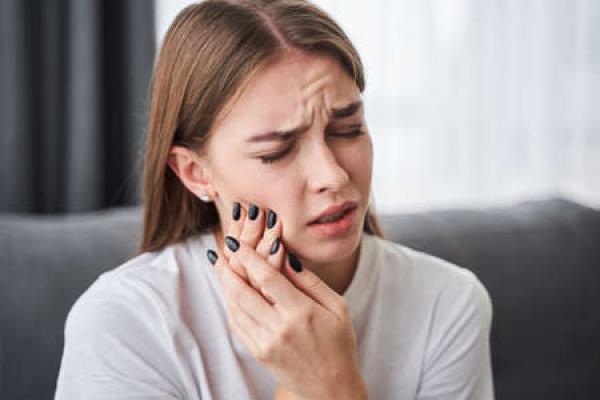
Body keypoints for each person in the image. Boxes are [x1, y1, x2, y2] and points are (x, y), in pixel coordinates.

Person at [54, 0, 495, 399]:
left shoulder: (447, 303)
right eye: (276, 152)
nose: (333, 175)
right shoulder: (124, 322)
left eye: (349, 130)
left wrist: (334, 385)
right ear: (196, 173)